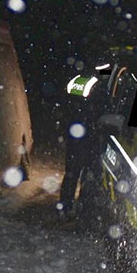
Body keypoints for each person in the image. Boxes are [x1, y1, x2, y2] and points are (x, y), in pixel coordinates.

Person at [58, 64, 112, 217]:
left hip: (74, 134)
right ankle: (83, 210)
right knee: (89, 175)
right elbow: (103, 109)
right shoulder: (99, 87)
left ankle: (64, 208)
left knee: (71, 174)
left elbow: (66, 105)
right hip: (90, 136)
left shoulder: (76, 81)